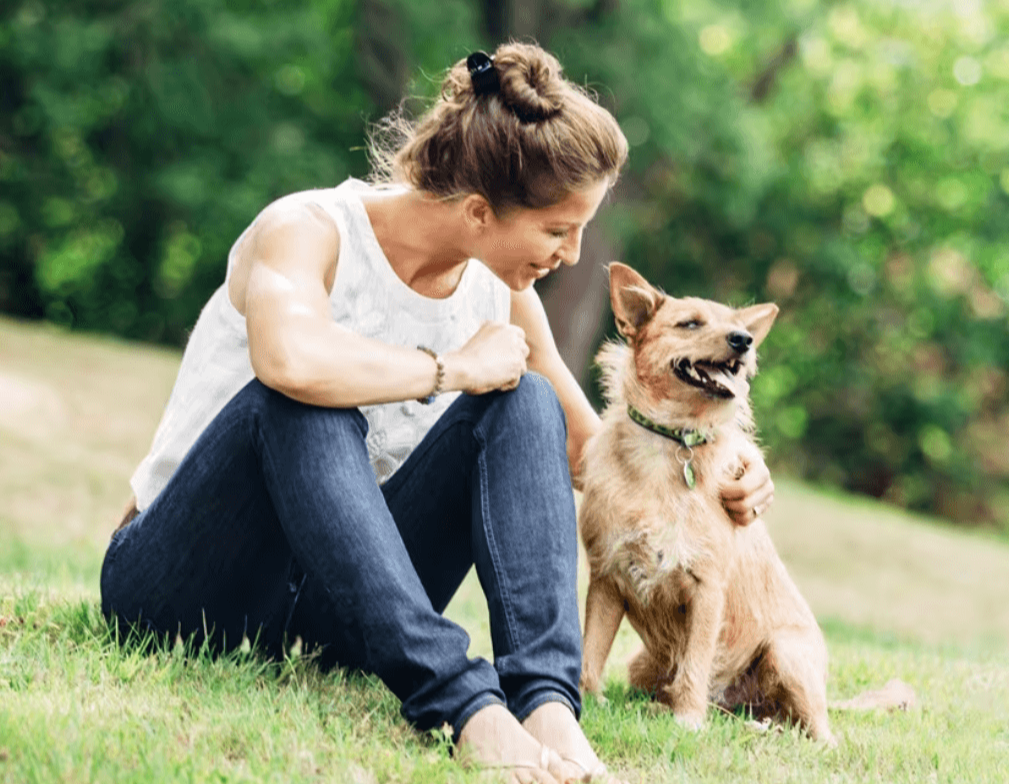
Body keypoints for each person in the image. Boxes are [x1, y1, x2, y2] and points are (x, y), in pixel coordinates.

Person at [99, 42, 776, 784]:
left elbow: (592, 453)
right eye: (557, 230)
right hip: (188, 586)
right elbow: (289, 362)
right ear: (480, 210)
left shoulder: (497, 291)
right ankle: (463, 706)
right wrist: (450, 370)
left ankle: (547, 704)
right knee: (302, 402)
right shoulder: (309, 229)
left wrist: (714, 462)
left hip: (337, 611)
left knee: (526, 398)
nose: (574, 255)